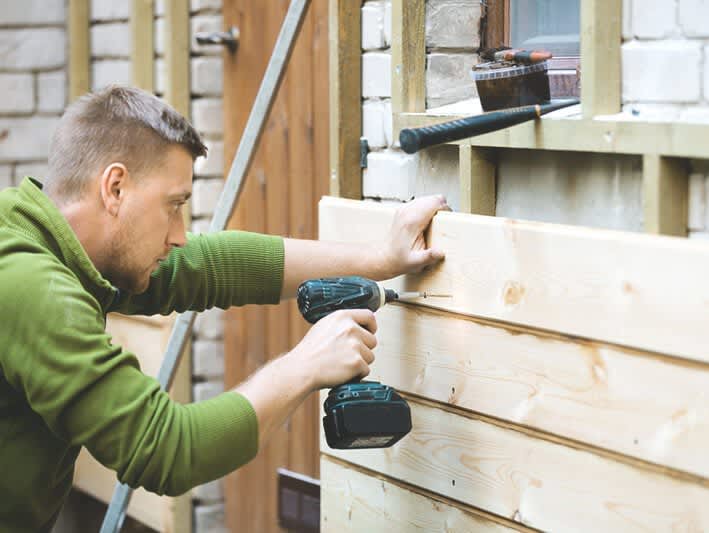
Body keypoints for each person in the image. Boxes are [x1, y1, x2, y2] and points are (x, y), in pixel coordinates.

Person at [0, 85, 448, 531]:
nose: (178, 234)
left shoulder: (38, 234)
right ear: (115, 187)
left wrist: (382, 258)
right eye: (173, 206)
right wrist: (305, 365)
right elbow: (163, 449)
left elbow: (208, 265)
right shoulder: (29, 286)